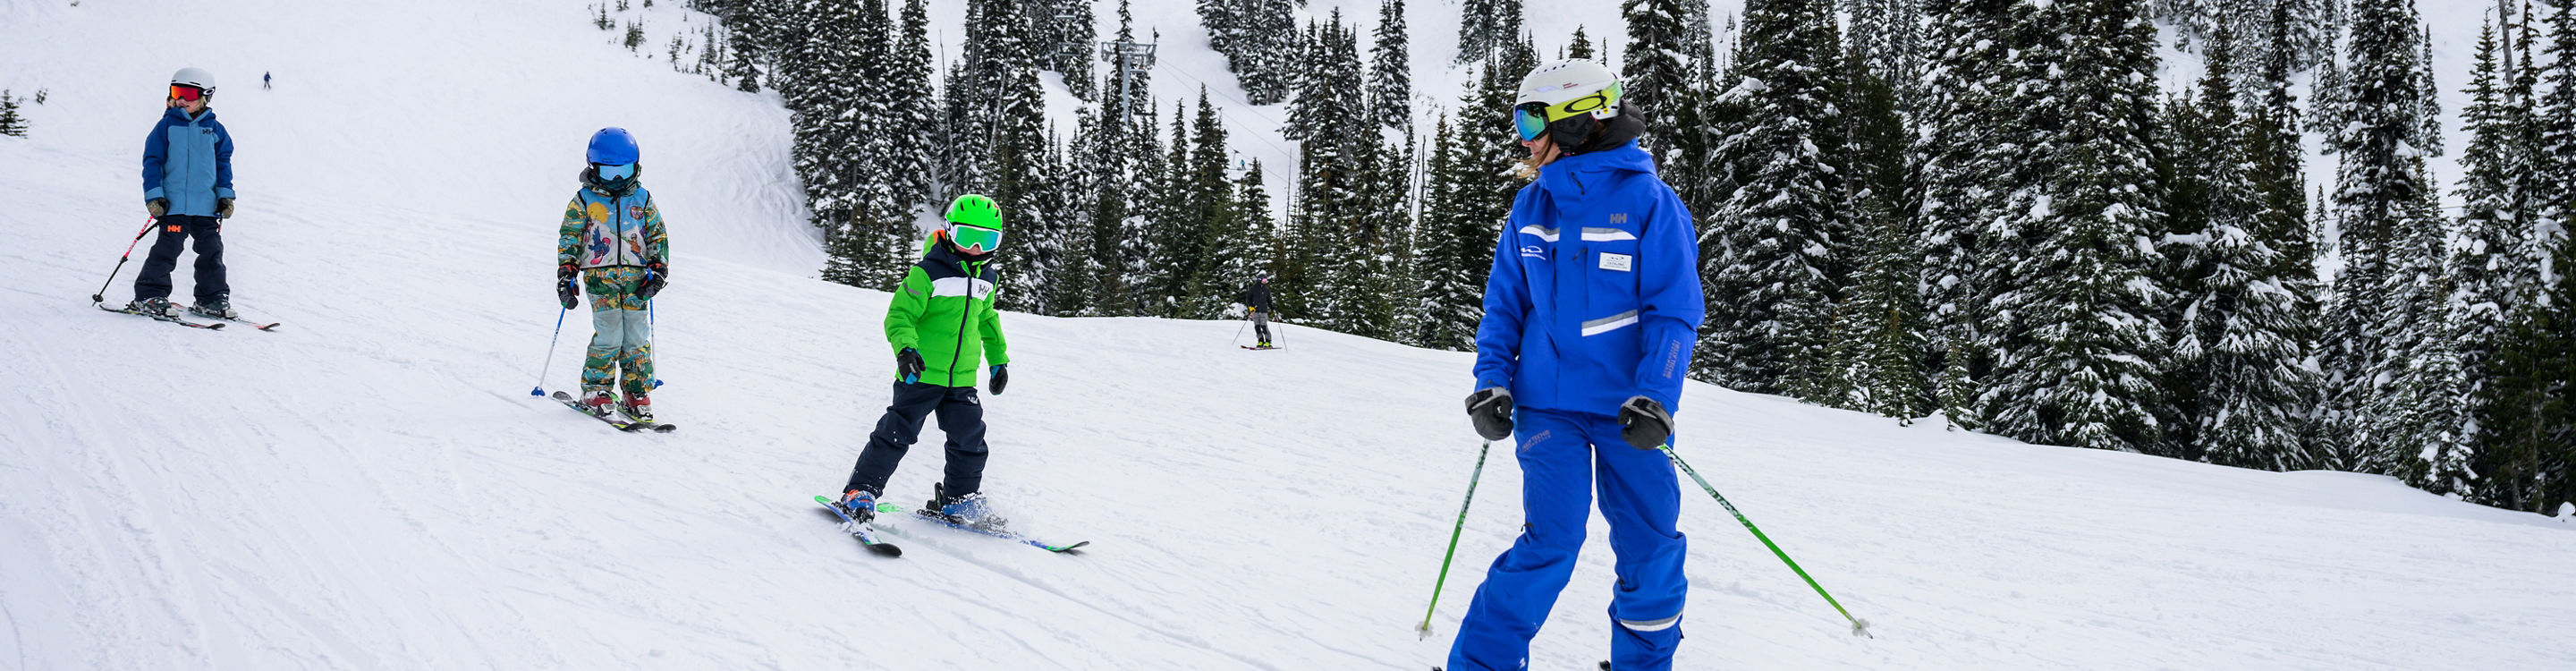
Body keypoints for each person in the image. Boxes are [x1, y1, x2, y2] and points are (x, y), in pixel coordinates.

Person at [1448, 58, 1705, 671]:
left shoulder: (1651, 204)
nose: (1523, 135)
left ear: (1577, 122)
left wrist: (1656, 397)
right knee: (1550, 544)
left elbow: (1674, 312)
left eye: (1531, 118)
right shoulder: (1531, 207)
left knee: (1651, 549)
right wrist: (1491, 382)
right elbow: (1504, 307)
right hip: (1547, 408)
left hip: (1626, 412)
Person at [835, 194, 1014, 526]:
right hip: (920, 373)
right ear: (948, 231)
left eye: (987, 240)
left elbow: (987, 320)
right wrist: (905, 350)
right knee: (896, 433)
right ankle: (859, 492)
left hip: (961, 378)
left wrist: (998, 361)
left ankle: (959, 500)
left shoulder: (988, 279)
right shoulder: (927, 273)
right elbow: (900, 316)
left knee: (971, 441)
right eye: (967, 237)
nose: (976, 248)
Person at [555, 127, 670, 423]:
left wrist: (658, 267)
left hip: (636, 278)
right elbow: (570, 237)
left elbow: (657, 234)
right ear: (594, 169)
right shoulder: (583, 200)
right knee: (610, 334)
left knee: (635, 335)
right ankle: (596, 390)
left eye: (624, 171)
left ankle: (636, 391)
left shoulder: (642, 198)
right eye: (610, 173)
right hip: (599, 276)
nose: (618, 179)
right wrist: (567, 272)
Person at [131, 67, 238, 319]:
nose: (181, 100)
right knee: (166, 251)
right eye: (176, 92)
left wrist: (225, 196)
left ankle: (211, 299)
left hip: (206, 207)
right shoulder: (166, 126)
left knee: (211, 252)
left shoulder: (215, 130)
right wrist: (154, 195)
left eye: (188, 94)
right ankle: (149, 295)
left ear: (205, 96)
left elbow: (223, 164)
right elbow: (152, 161)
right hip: (174, 206)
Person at [1239, 277, 1275, 348]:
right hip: (1255, 311)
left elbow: (1269, 301)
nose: (1265, 281)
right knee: (1257, 327)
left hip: (1263, 311)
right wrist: (1250, 307)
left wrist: (1273, 309)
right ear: (1259, 280)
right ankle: (1260, 340)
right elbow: (1248, 299)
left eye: (1266, 280)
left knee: (1264, 326)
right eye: (1264, 280)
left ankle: (1268, 341)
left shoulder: (1266, 290)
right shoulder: (1253, 289)